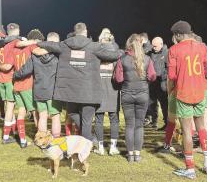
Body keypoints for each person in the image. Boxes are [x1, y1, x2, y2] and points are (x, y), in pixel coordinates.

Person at [36, 22, 120, 141]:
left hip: (70, 92)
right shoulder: (93, 46)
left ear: (75, 32)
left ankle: (87, 141)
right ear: (85, 32)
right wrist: (124, 52)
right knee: (86, 121)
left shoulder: (64, 45)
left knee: (72, 114)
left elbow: (48, 44)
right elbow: (113, 56)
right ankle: (87, 144)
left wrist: (35, 42)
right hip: (89, 92)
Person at [168, 21, 207, 179]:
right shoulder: (203, 48)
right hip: (200, 92)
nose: (175, 38)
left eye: (175, 35)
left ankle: (190, 169)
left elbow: (172, 76)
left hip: (183, 94)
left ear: (179, 34)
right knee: (202, 128)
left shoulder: (174, 49)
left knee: (188, 131)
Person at [114, 33, 156, 162]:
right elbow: (152, 76)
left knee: (129, 125)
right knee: (139, 126)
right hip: (142, 94)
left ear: (129, 44)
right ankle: (137, 154)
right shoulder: (147, 59)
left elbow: (118, 79)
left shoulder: (122, 59)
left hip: (127, 94)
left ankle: (130, 154)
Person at [14, 32, 62, 138]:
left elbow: (25, 70)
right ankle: (56, 139)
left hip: (39, 89)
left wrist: (14, 75)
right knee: (55, 116)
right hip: (53, 90)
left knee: (42, 115)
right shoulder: (59, 55)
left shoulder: (35, 53)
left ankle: (42, 139)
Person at [2, 29, 44, 148]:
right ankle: (40, 137)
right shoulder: (31, 47)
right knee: (35, 112)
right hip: (27, 85)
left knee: (21, 112)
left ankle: (23, 141)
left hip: (16, 85)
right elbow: (40, 52)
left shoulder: (14, 50)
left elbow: (8, 66)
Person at [94, 28, 120, 156]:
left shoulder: (95, 51)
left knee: (98, 120)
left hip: (98, 90)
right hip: (113, 90)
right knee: (114, 119)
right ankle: (113, 147)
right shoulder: (117, 52)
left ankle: (100, 147)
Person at [0, 24, 21, 144]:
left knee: (8, 106)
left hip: (1, 79)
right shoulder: (15, 43)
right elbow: (7, 66)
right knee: (10, 107)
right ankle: (6, 137)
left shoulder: (1, 42)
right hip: (9, 78)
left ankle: (14, 131)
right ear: (18, 31)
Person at [146, 37, 168, 130]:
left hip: (162, 84)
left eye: (155, 46)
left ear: (161, 44)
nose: (153, 47)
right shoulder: (149, 53)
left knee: (164, 105)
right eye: (152, 46)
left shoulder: (167, 53)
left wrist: (163, 76)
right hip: (152, 83)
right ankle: (153, 122)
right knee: (151, 103)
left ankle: (167, 123)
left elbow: (169, 68)